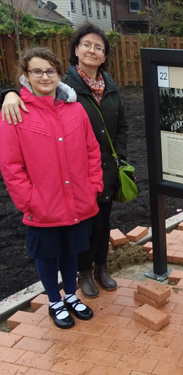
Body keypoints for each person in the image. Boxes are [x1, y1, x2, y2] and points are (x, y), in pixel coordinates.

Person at [1, 23, 129, 298]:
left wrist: (116, 160)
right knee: (76, 234)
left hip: (99, 172)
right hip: (60, 185)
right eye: (86, 44)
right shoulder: (66, 87)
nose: (92, 50)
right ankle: (83, 274)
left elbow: (121, 127)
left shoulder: (110, 87)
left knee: (101, 222)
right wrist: (7, 93)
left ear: (105, 55)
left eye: (99, 47)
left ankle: (101, 268)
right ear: (75, 50)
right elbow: (29, 98)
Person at [0, 47, 102, 329]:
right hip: (43, 204)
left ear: (59, 74)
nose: (44, 77)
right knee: (47, 255)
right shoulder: (15, 112)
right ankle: (55, 301)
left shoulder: (76, 109)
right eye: (37, 71)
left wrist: (93, 185)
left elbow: (92, 150)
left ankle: (70, 295)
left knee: (71, 251)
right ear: (26, 75)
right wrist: (29, 200)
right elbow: (10, 165)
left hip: (78, 200)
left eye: (50, 71)